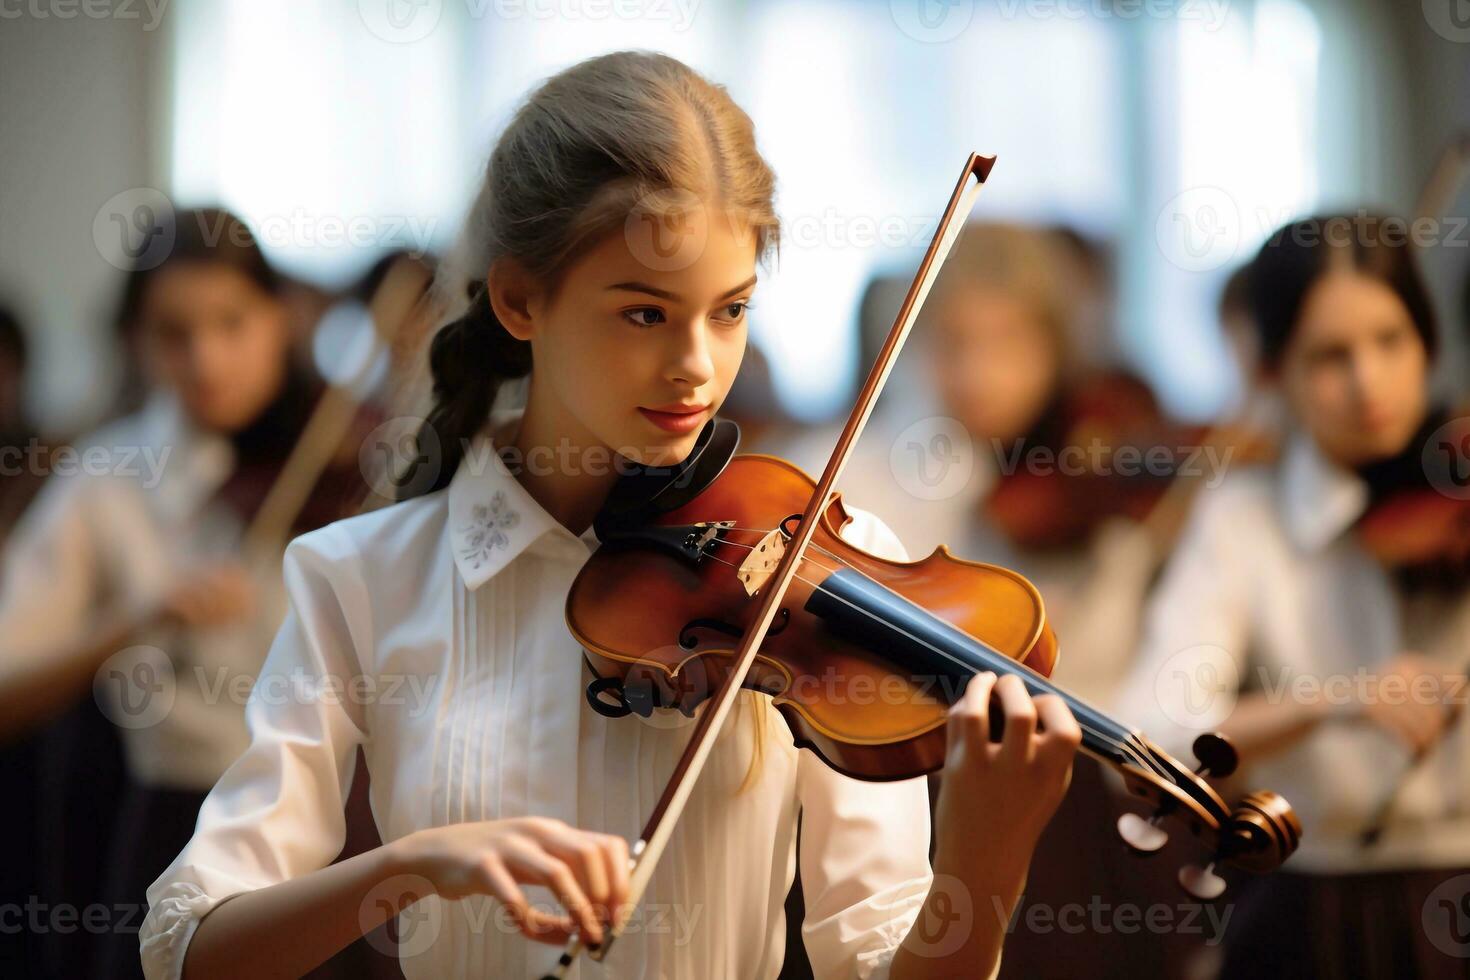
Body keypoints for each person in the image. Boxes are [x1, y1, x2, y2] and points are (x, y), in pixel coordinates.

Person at [139, 51, 1083, 980]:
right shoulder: (360, 578)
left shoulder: (822, 575)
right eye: (644, 314)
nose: (698, 367)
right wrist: (409, 867)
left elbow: (874, 961)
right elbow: (186, 948)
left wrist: (981, 869)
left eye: (729, 310)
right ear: (519, 298)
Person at [0, 207, 376, 977]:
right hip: (173, 825)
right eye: (175, 334)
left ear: (281, 320)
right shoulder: (109, 476)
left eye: (233, 323)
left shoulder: (354, 458)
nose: (207, 359)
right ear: (139, 341)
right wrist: (135, 620)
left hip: (336, 833)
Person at [1117, 213, 1470, 979]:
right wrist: (1330, 701)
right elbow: (1152, 735)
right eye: (1329, 356)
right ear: (1274, 373)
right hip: (1309, 908)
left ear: (1429, 344)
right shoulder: (1243, 517)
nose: (1367, 383)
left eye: (1390, 341)